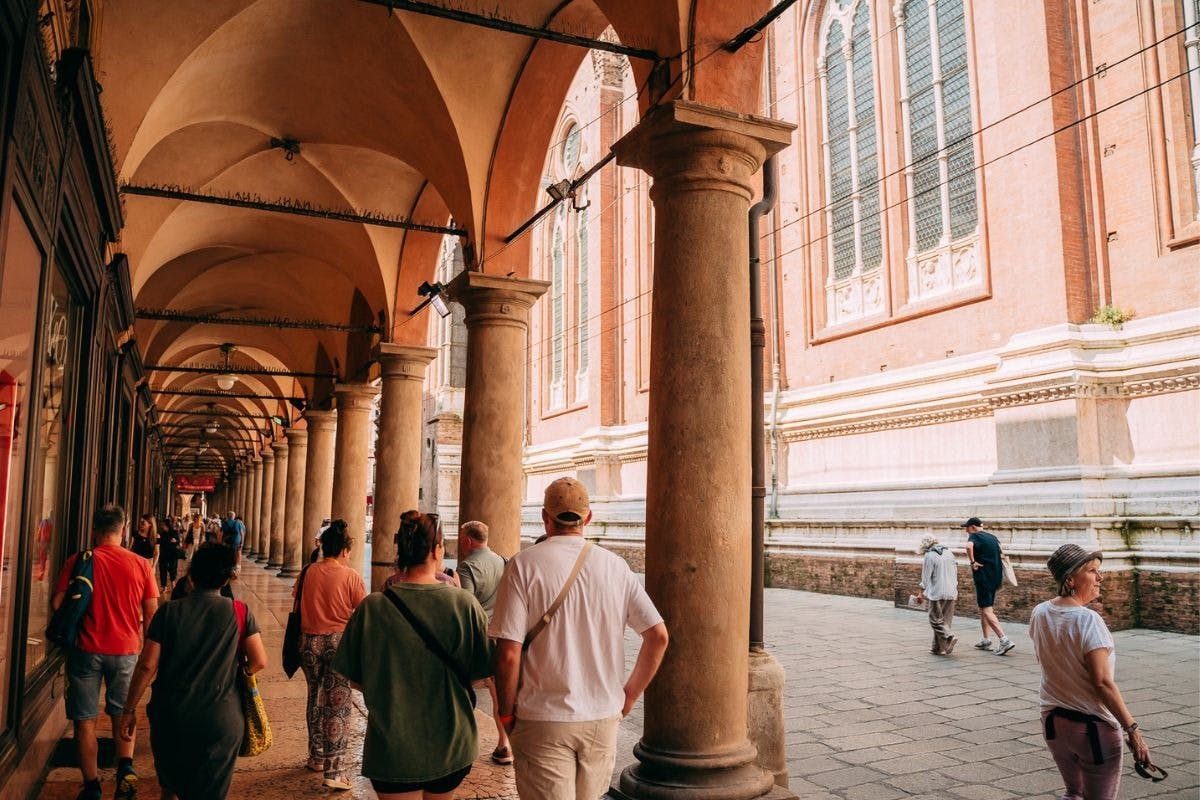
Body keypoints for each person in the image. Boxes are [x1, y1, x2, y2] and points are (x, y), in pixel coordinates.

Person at [491, 477, 669, 800]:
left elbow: (508, 655)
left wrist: (505, 712)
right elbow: (658, 636)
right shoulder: (616, 567)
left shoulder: (522, 566)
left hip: (543, 718)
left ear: (545, 517)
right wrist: (629, 694)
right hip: (601, 717)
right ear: (587, 518)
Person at [334, 512, 491, 799]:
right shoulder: (464, 605)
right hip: (451, 743)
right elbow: (480, 676)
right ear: (437, 550)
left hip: (392, 748)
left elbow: (354, 679)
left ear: (401, 553)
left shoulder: (372, 608)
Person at [119, 543, 268, 800]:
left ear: (192, 576)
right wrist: (236, 670)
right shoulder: (240, 611)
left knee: (171, 786)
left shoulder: (169, 612)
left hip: (172, 715)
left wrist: (129, 709)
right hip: (221, 719)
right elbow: (259, 660)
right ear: (227, 577)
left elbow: (146, 665)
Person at [1029, 544, 1155, 799]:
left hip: (1054, 722)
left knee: (1074, 793)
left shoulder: (1040, 612)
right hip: (1092, 728)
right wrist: (1133, 730)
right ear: (1070, 579)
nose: (1100, 577)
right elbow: (1102, 683)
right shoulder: (1088, 620)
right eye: (1092, 571)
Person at [52, 504, 158, 800]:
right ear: (124, 531)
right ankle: (125, 769)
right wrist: (150, 654)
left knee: (84, 721)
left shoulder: (78, 561)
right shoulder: (140, 564)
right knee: (123, 712)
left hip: (86, 649)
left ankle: (92, 787)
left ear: (94, 531)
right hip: (126, 650)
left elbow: (59, 603)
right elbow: (152, 615)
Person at [296, 519, 367, 791]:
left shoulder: (307, 572)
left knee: (314, 695)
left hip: (307, 642)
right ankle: (334, 770)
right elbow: (361, 614)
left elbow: (298, 603)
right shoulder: (350, 576)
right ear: (345, 551)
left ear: (323, 547)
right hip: (338, 643)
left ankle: (315, 756)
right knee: (338, 704)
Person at [456, 520, 512, 765]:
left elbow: (466, 605)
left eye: (461, 538)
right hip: (501, 635)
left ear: (468, 540)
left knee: (462, 690)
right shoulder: (502, 561)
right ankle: (504, 744)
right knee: (499, 693)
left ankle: (462, 743)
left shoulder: (467, 567)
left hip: (478, 637)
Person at [962, 517, 1014, 655]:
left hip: (983, 577)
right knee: (983, 607)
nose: (966, 531)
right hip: (995, 577)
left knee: (986, 610)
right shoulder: (993, 537)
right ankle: (985, 639)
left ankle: (1004, 640)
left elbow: (968, 547)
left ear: (973, 527)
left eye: (966, 528)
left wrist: (973, 561)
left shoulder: (975, 536)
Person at [915, 534, 958, 655]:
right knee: (945, 620)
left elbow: (925, 577)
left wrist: (920, 593)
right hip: (951, 590)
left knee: (935, 620)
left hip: (937, 591)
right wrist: (955, 588)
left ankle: (949, 636)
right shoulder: (949, 553)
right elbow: (955, 572)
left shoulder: (929, 555)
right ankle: (938, 648)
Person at [157, 520, 183, 591]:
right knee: (162, 569)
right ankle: (164, 586)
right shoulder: (162, 533)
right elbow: (159, 542)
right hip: (163, 554)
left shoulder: (174, 532)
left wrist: (176, 541)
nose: (162, 526)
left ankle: (173, 584)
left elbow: (178, 542)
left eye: (163, 525)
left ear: (167, 525)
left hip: (172, 554)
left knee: (172, 569)